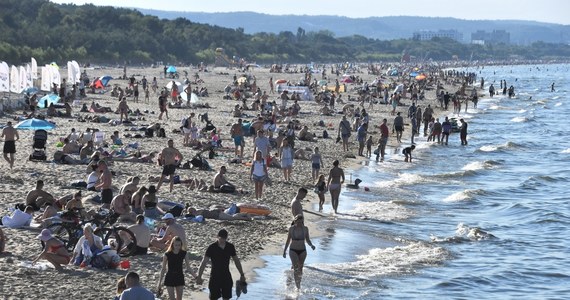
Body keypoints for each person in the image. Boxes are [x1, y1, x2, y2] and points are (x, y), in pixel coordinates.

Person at [196, 229, 246, 300]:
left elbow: (236, 261)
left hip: (226, 276)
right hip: (215, 277)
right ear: (217, 237)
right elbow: (204, 262)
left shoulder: (230, 247)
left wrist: (242, 274)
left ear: (226, 238)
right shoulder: (212, 247)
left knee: (226, 297)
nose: (222, 240)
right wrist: (199, 276)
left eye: (224, 238)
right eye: (221, 238)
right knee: (213, 298)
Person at [283, 214, 316, 290]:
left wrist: (311, 245)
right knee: (296, 268)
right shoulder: (291, 229)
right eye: (298, 222)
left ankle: (298, 285)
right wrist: (284, 251)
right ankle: (297, 287)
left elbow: (307, 239)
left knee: (300, 268)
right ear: (295, 221)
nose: (299, 224)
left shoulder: (305, 229)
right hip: (293, 250)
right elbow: (288, 240)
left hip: (302, 250)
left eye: (301, 222)